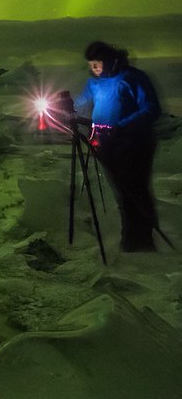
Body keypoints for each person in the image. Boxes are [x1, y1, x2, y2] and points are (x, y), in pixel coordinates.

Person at [73, 40, 161, 252]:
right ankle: (131, 239)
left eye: (97, 63)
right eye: (91, 64)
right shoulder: (93, 83)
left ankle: (141, 241)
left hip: (134, 144)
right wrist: (66, 107)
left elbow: (151, 108)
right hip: (106, 144)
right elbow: (81, 103)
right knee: (123, 193)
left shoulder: (132, 77)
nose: (93, 68)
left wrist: (121, 127)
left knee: (135, 191)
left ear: (110, 60)